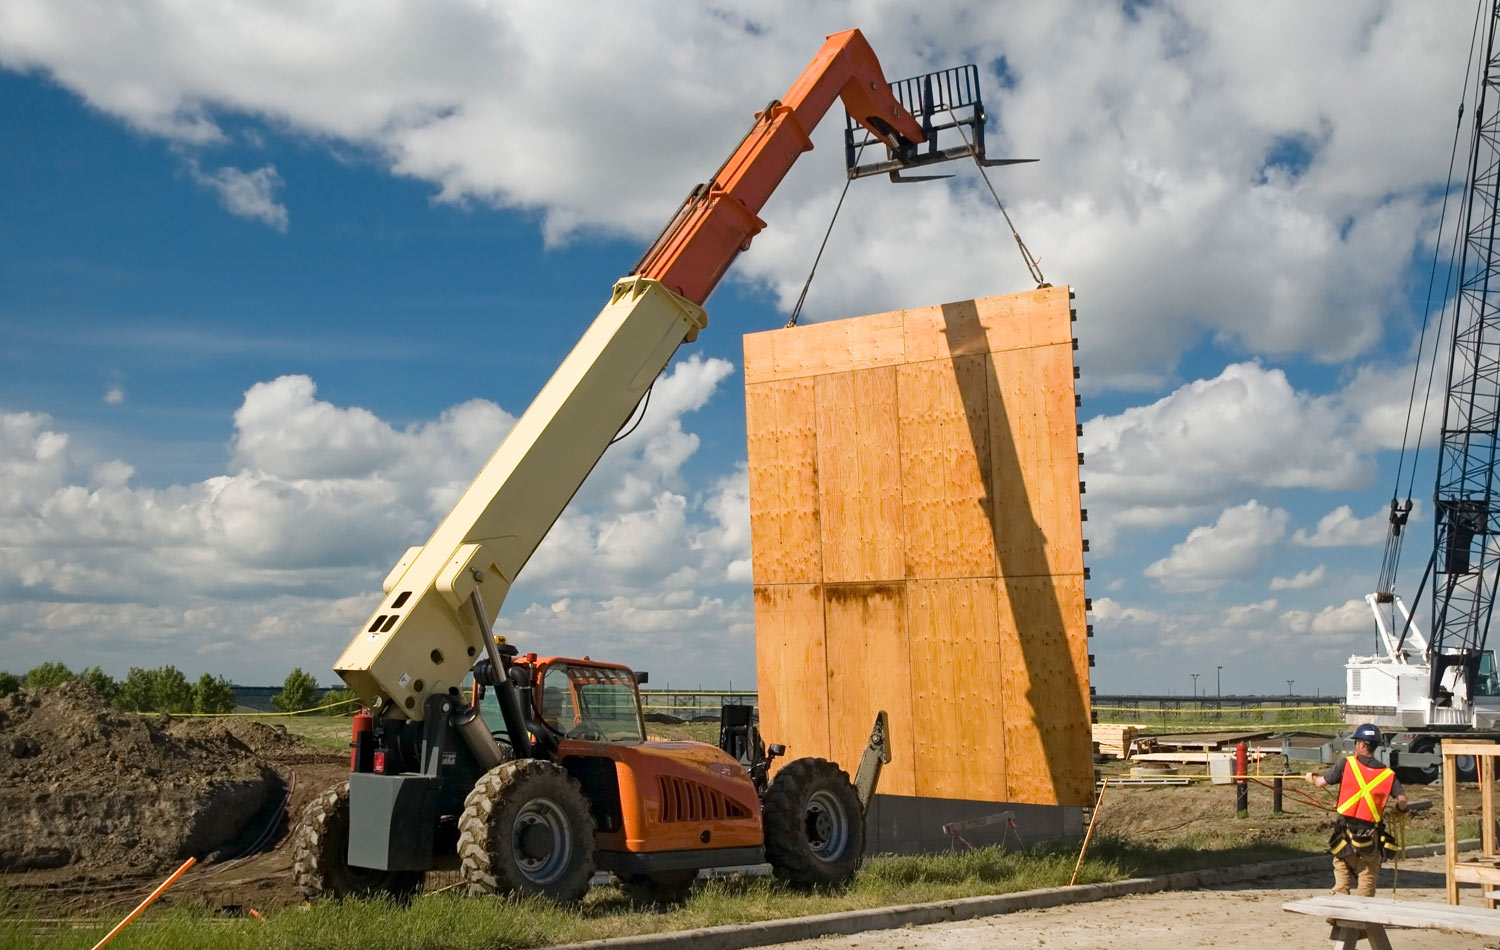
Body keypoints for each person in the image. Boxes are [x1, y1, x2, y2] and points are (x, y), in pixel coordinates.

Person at [1306, 723, 1408, 897]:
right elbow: (1403, 800)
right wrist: (1398, 809)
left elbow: (1321, 782)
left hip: (1345, 835)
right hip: (1370, 839)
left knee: (1341, 874)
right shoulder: (1387, 774)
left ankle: (1338, 916)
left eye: (1356, 743)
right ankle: (1362, 920)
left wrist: (1311, 777)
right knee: (1367, 879)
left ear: (1361, 745)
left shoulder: (1347, 764)